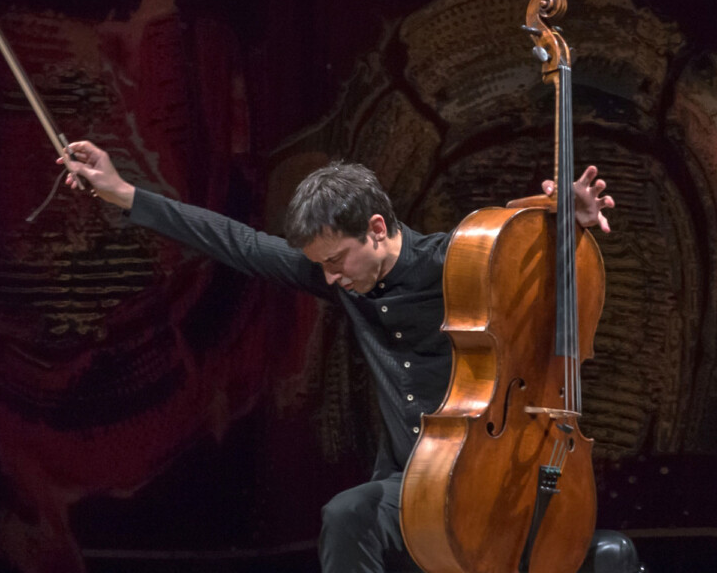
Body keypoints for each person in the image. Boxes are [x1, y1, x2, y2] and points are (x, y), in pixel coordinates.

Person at [57, 142, 615, 572]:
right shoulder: (343, 277)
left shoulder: (460, 264)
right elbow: (237, 242)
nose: (330, 278)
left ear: (376, 229)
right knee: (349, 515)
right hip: (411, 481)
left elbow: (534, 275)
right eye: (320, 265)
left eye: (336, 260)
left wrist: (567, 225)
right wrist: (123, 193)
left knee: (351, 514)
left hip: (494, 474)